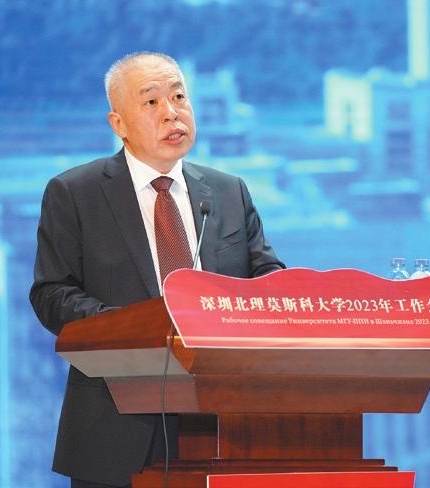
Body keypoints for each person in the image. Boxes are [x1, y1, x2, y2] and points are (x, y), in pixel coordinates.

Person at [29, 51, 285, 487]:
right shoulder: (75, 193)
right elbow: (52, 293)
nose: (172, 112)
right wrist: (135, 329)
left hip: (225, 421)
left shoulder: (228, 192)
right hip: (116, 425)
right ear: (119, 124)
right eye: (151, 101)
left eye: (180, 97)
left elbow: (268, 278)